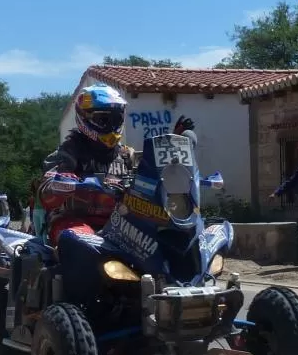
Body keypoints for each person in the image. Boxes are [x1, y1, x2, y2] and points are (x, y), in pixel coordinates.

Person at [36, 83, 194, 246]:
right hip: (74, 223)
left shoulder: (126, 155)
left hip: (120, 224)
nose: (111, 126)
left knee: (167, 241)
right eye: (104, 120)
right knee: (84, 242)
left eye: (116, 119)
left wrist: (171, 146)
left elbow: (152, 172)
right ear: (85, 118)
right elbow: (46, 193)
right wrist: (62, 183)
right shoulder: (69, 152)